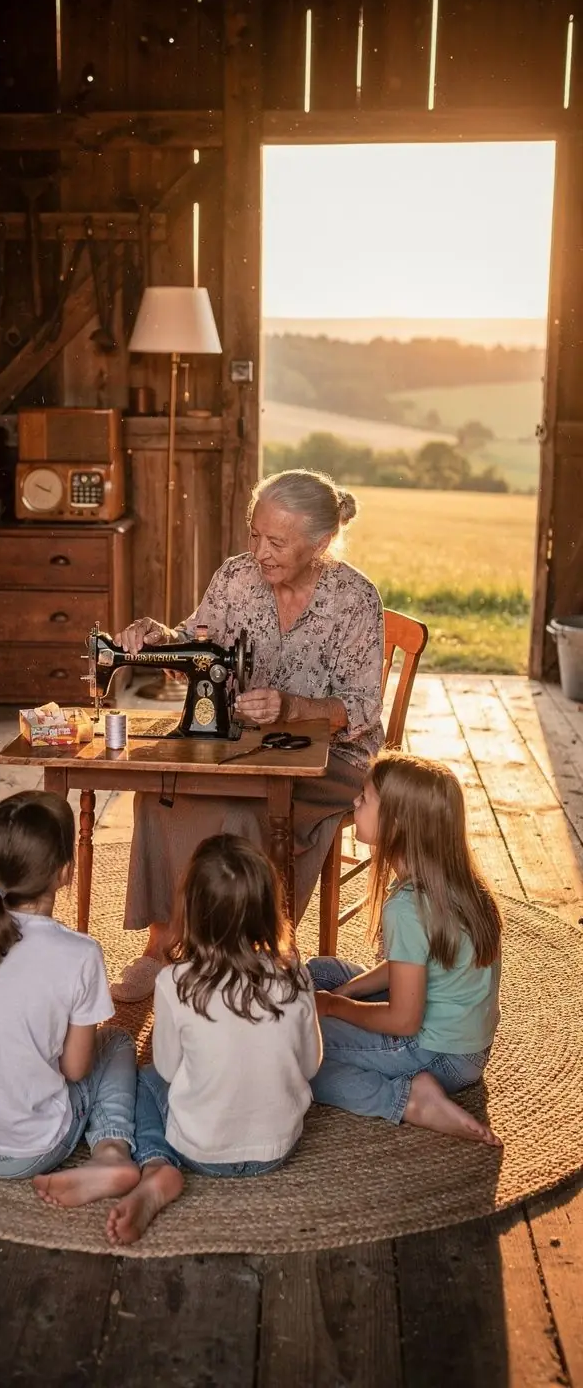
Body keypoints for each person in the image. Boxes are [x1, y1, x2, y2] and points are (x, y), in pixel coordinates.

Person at [112, 468, 384, 1001]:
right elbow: (195, 646)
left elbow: (363, 709)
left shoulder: (355, 599)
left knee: (240, 811)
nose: (260, 551)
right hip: (244, 745)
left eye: (277, 541)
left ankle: (245, 953)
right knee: (157, 790)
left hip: (333, 757)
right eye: (255, 534)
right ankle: (163, 946)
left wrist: (292, 706)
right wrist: (156, 639)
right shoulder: (236, 578)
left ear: (321, 542)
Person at [0, 791, 139, 1202]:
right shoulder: (80, 953)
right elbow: (75, 1069)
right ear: (66, 873)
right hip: (28, 1151)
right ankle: (111, 1150)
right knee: (120, 1043)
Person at [106, 834, 322, 1246]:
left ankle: (156, 1166)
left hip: (199, 1152)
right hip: (277, 1149)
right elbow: (311, 1065)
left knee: (141, 1081)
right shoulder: (296, 974)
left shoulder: (173, 982)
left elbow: (168, 1070)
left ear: (190, 911)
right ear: (268, 908)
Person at [307, 752, 503, 1146]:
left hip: (437, 1053)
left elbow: (403, 1021)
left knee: (299, 1052)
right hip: (463, 1044)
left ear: (396, 823)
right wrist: (348, 990)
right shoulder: (456, 882)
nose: (354, 804)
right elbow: (410, 967)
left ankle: (409, 1100)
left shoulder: (407, 908)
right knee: (320, 972)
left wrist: (334, 1007)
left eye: (364, 798)